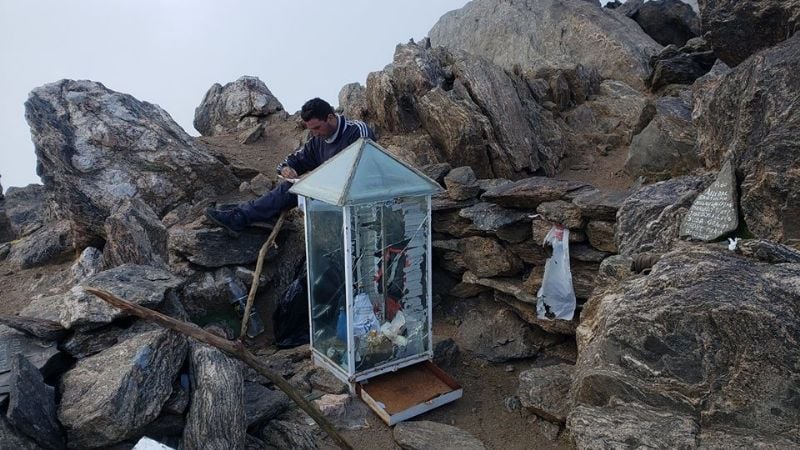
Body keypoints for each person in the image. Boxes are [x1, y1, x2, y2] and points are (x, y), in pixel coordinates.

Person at [205, 97, 376, 234]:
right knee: (289, 187)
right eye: (311, 130)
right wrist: (287, 169)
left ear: (330, 118)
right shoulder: (317, 141)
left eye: (317, 127)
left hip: (362, 197)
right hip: (329, 195)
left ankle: (240, 214)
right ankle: (239, 216)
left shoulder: (356, 131)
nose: (315, 134)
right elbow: (290, 161)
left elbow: (364, 167)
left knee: (302, 189)